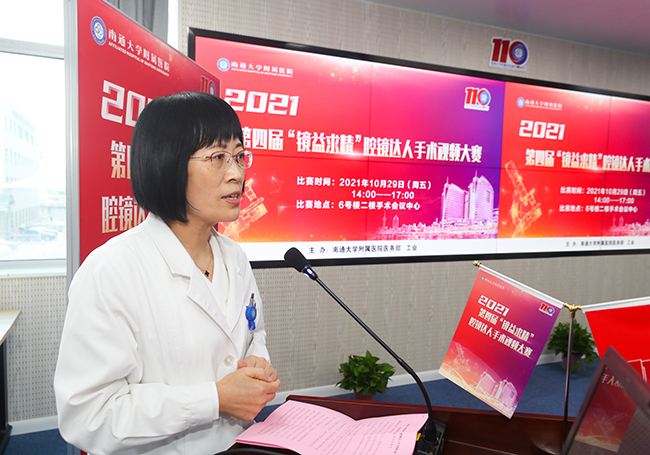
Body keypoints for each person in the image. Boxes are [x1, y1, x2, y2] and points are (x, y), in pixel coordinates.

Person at [54, 92, 280, 455]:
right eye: (218, 158)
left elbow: (255, 334)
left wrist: (258, 363)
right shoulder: (111, 269)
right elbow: (89, 415)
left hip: (238, 445)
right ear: (167, 163)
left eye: (239, 156)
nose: (237, 173)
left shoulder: (235, 258)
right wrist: (214, 399)